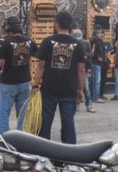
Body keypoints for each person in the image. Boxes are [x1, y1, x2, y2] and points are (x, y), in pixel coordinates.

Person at [34, 11, 85, 144]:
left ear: (56, 24)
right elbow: (81, 70)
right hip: (69, 89)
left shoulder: (47, 42)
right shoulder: (78, 44)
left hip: (49, 89)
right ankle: (69, 152)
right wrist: (81, 90)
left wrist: (35, 85)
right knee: (68, 124)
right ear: (70, 25)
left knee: (45, 123)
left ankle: (42, 151)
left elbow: (41, 66)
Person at [0, 17, 38, 136]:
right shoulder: (29, 41)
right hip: (24, 81)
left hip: (8, 82)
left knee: (4, 112)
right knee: (22, 113)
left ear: (8, 28)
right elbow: (37, 54)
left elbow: (1, 63)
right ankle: (22, 137)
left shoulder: (6, 43)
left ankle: (3, 137)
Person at [71, 28, 95, 113]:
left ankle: (88, 106)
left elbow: (91, 54)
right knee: (75, 87)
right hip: (73, 69)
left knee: (86, 88)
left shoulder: (86, 43)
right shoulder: (71, 44)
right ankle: (75, 105)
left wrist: (84, 55)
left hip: (83, 68)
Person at [90, 26, 106, 103]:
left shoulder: (96, 39)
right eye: (100, 32)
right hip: (96, 62)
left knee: (94, 80)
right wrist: (98, 57)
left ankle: (94, 96)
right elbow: (92, 51)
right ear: (97, 32)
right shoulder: (95, 40)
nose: (101, 34)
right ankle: (96, 97)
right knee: (97, 81)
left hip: (95, 62)